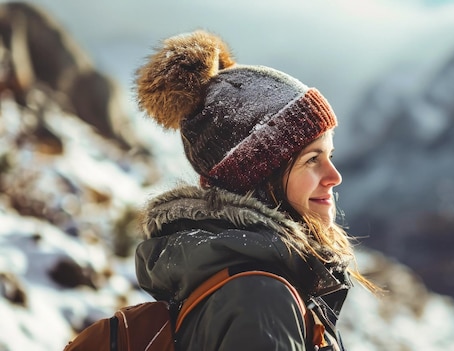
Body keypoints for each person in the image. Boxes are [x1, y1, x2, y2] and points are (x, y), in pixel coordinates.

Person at [133, 30, 378, 351]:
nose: (334, 176)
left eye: (329, 156)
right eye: (312, 159)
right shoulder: (260, 299)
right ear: (256, 174)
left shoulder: (236, 279)